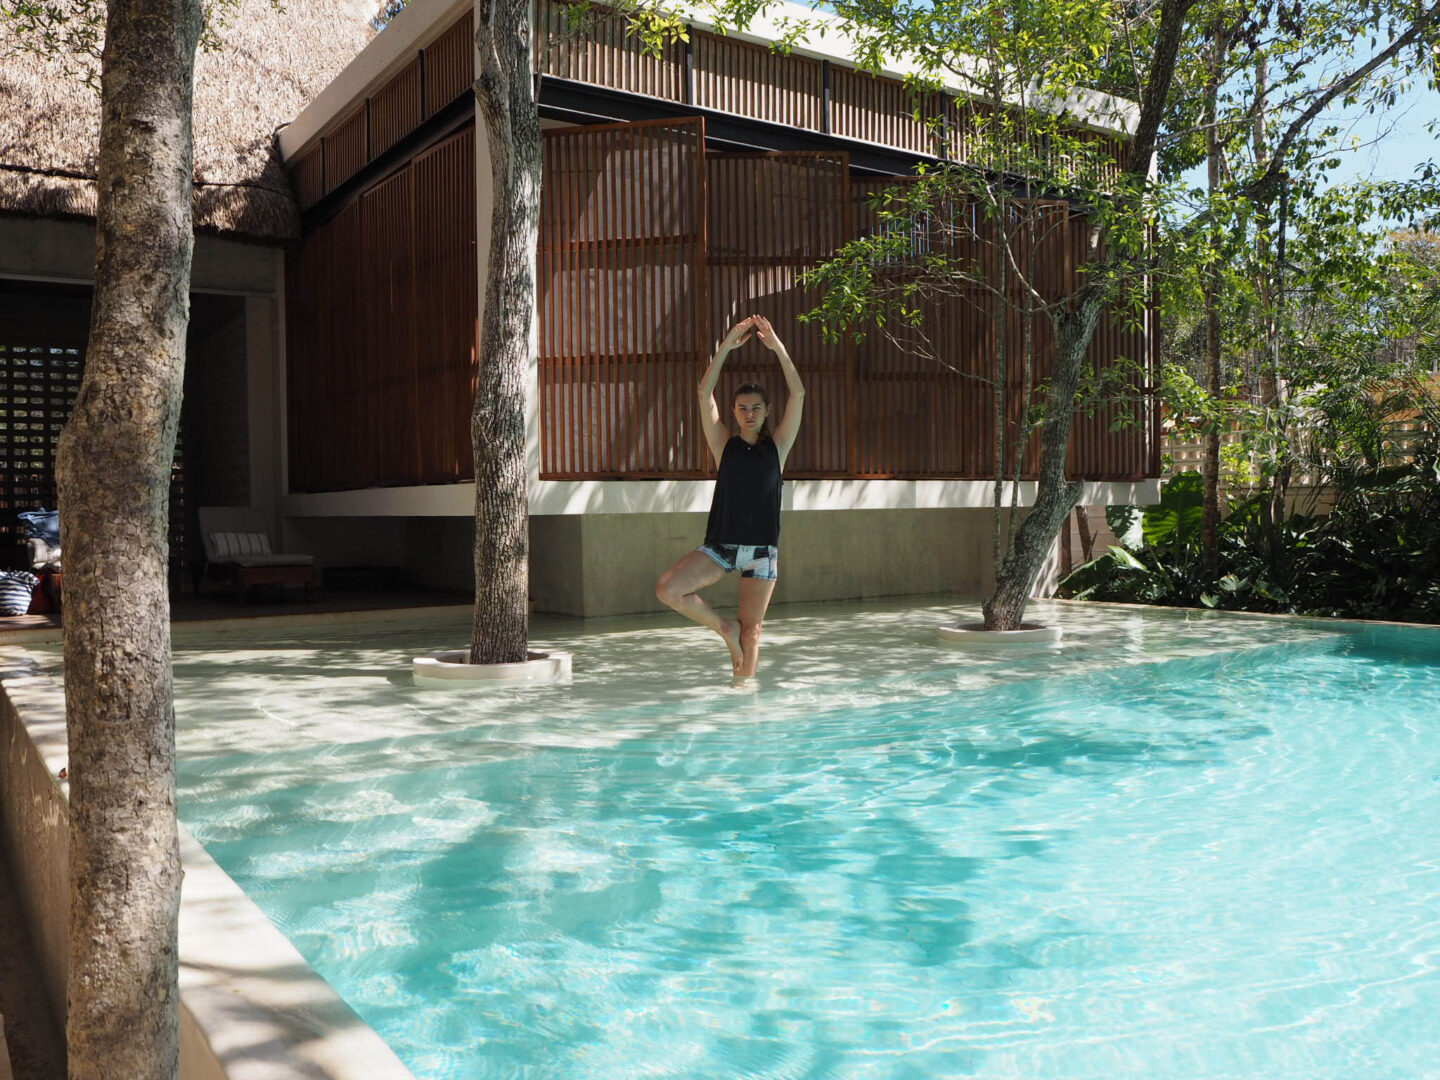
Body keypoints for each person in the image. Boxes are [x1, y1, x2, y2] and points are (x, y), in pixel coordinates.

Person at [655, 315, 806, 678]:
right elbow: (704, 393)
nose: (749, 413)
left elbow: (798, 393)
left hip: (761, 552)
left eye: (756, 408)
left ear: (767, 411)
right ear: (735, 412)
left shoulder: (779, 447)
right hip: (720, 546)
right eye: (742, 408)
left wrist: (777, 348)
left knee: (753, 632)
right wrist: (725, 347)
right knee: (668, 590)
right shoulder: (724, 445)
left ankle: (743, 700)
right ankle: (724, 628)